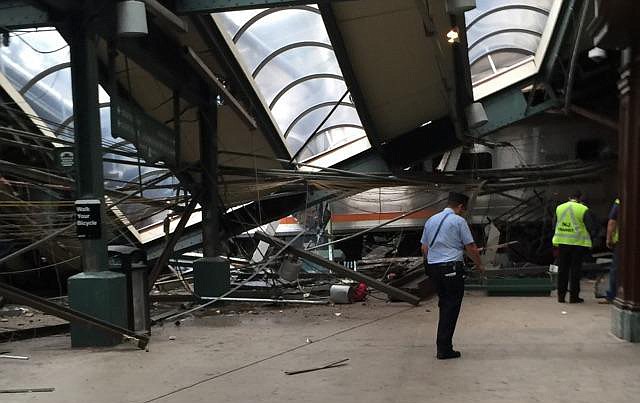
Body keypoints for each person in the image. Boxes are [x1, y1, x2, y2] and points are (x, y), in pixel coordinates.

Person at [420, 192, 484, 360]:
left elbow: (424, 249)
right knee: (451, 306)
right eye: (464, 210)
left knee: (444, 304)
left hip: (434, 268)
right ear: (461, 207)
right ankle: (444, 348)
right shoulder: (458, 221)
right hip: (451, 269)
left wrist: (433, 263)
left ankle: (443, 345)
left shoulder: (431, 220)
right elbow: (470, 246)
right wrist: (479, 265)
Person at [551, 191, 595, 303]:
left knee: (562, 270)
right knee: (575, 271)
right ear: (580, 198)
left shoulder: (559, 208)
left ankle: (561, 297)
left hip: (562, 243)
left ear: (569, 197)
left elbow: (554, 224)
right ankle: (574, 297)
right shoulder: (583, 209)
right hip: (578, 244)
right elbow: (590, 227)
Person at [603, 198, 620, 303]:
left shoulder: (620, 201)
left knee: (616, 269)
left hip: (622, 242)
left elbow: (612, 222)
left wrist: (609, 238)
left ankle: (612, 296)